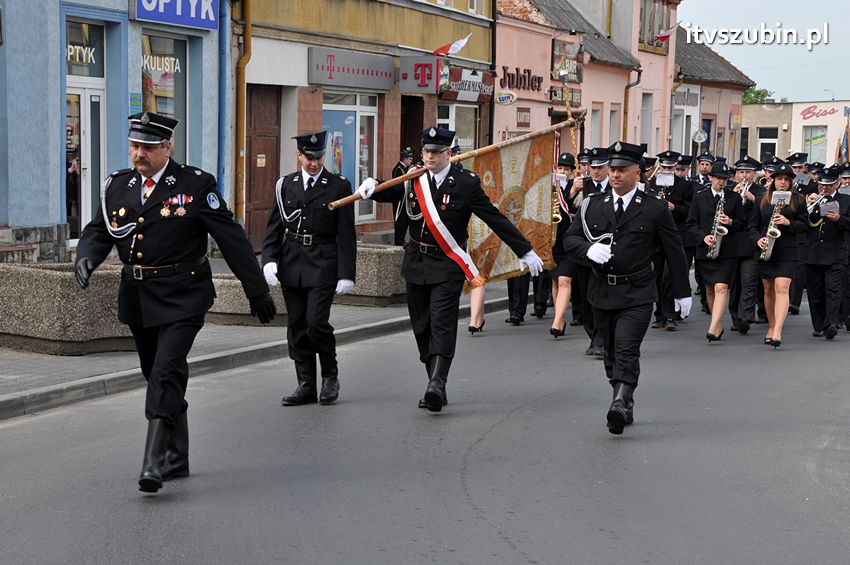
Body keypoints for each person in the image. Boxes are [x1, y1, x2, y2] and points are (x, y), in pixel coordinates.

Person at [74, 112, 276, 493]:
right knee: (156, 372)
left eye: (148, 147)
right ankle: (179, 457)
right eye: (134, 146)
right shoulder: (117, 185)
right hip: (137, 295)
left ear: (168, 147)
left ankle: (153, 459)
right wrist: (87, 254)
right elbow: (99, 231)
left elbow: (231, 239)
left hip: (184, 293)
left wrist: (257, 290)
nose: (138, 154)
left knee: (165, 372)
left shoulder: (195, 186)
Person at [356, 126, 543, 412]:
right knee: (421, 327)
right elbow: (387, 190)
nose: (430, 157)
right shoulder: (412, 178)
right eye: (426, 151)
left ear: (448, 154)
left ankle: (437, 383)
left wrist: (525, 249)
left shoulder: (465, 183)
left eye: (436, 152)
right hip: (416, 261)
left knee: (442, 322)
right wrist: (371, 185)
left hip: (447, 263)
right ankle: (434, 379)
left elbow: (494, 218)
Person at [564, 141, 691, 435]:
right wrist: (588, 251)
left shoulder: (655, 208)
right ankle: (622, 396)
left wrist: (682, 292)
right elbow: (570, 240)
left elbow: (674, 251)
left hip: (638, 291)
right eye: (613, 169)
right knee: (609, 351)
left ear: (639, 173)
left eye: (622, 170)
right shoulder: (592, 205)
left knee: (626, 348)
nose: (615, 175)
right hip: (601, 291)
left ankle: (620, 402)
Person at [261, 131, 356, 407]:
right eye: (309, 157)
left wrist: (346, 273)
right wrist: (269, 259)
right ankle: (305, 384)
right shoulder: (285, 185)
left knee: (316, 323)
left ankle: (329, 376)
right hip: (292, 262)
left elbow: (345, 233)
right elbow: (274, 227)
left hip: (324, 263)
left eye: (318, 157)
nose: (314, 162)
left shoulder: (338, 185)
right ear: (299, 156)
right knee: (297, 326)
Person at [747, 163, 807, 349]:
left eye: (787, 179)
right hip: (767, 250)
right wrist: (758, 240)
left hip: (788, 250)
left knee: (782, 287)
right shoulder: (761, 199)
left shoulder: (798, 200)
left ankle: (778, 330)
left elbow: (804, 226)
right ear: (773, 180)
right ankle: (771, 326)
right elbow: (752, 226)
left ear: (791, 182)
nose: (783, 182)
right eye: (779, 179)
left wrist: (789, 222)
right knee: (768, 290)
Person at [686, 161, 746, 342]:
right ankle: (717, 324)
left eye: (725, 179)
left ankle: (713, 327)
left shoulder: (734, 199)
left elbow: (742, 224)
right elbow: (691, 224)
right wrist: (703, 237)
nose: (722, 182)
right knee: (710, 290)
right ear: (710, 178)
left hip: (727, 251)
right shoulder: (699, 197)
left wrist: (730, 222)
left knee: (721, 287)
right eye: (719, 178)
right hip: (706, 249)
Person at [647, 150, 693, 331]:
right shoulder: (652, 184)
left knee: (669, 276)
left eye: (670, 167)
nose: (666, 170)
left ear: (675, 168)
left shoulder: (684, 186)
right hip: (656, 237)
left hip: (676, 235)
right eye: (664, 167)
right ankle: (659, 314)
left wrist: (675, 207)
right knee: (657, 275)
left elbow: (690, 211)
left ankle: (670, 315)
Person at [803, 166, 850, 340]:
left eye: (828, 185)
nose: (824, 188)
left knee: (833, 290)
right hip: (813, 253)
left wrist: (840, 219)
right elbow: (801, 223)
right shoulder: (811, 201)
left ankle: (831, 323)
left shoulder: (846, 201)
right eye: (821, 184)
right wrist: (807, 205)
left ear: (836, 184)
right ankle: (819, 324)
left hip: (835, 251)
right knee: (815, 293)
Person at [728, 156, 765, 332]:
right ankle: (736, 318)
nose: (744, 175)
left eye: (748, 172)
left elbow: (766, 212)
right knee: (734, 285)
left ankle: (746, 317)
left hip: (751, 243)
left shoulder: (761, 191)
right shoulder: (729, 190)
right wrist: (734, 196)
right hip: (732, 243)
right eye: (741, 172)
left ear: (755, 174)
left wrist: (752, 198)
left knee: (749, 281)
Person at [549, 152, 579, 337]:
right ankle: (559, 318)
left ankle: (557, 321)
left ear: (572, 171)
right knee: (555, 280)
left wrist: (572, 193)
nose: (562, 171)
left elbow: (576, 208)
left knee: (564, 279)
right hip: (553, 240)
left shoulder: (577, 187)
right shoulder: (551, 188)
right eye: (560, 168)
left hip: (570, 240)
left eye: (566, 168)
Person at [392, 147, 414, 245]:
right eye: (410, 159)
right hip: (399, 199)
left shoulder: (405, 169)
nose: (411, 160)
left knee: (404, 220)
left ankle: (401, 240)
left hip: (404, 198)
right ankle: (399, 241)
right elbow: (397, 186)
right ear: (405, 159)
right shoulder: (398, 169)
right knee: (399, 220)